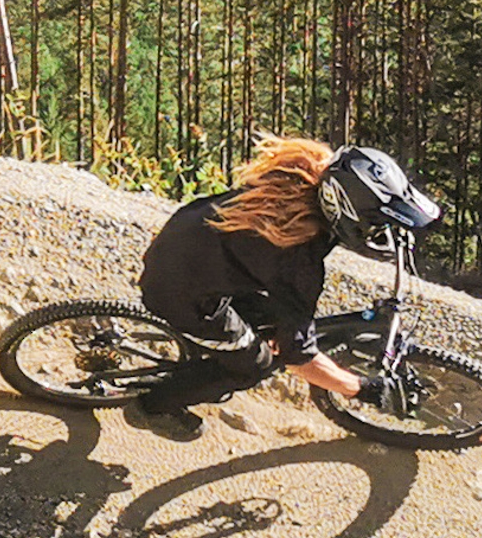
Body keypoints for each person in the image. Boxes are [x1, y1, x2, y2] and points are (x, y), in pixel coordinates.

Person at [128, 136, 441, 437]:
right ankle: (153, 406)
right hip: (180, 291)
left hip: (184, 244)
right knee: (255, 365)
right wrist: (359, 387)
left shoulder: (307, 174)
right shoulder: (297, 256)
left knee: (266, 327)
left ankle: (212, 354)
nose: (377, 234)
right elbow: (299, 357)